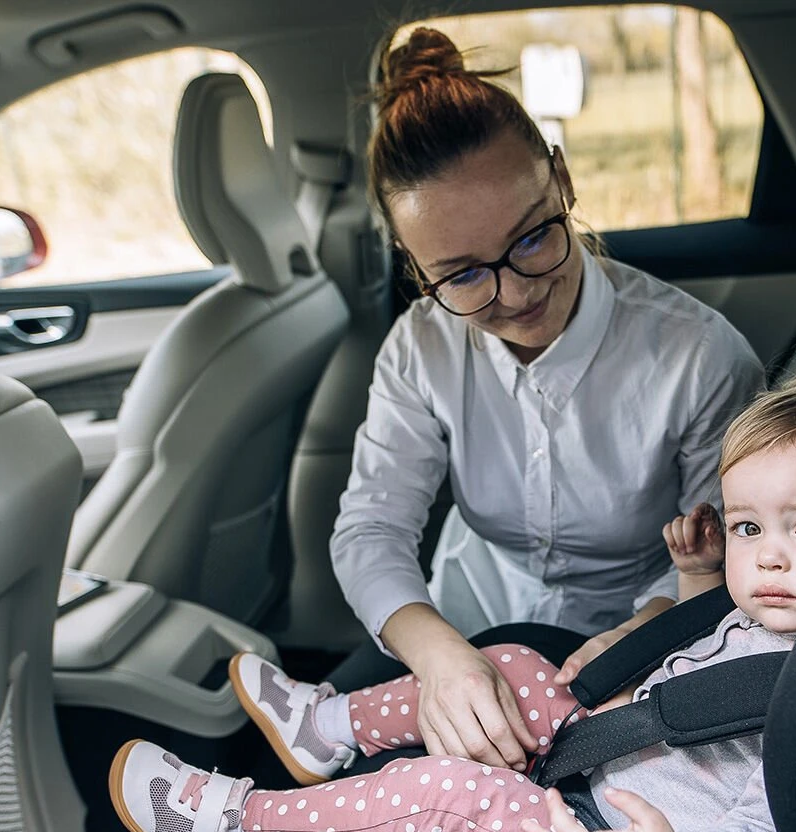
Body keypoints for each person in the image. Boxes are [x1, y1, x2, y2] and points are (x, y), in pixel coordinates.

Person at [109, 369, 796, 832]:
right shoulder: (775, 611)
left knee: (447, 793)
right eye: (750, 526)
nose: (767, 557)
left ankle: (239, 828)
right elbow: (702, 659)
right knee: (511, 669)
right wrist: (695, 582)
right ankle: (327, 728)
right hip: (606, 759)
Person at [327, 26, 764, 772]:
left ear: (561, 179)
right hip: (463, 621)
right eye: (463, 275)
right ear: (415, 265)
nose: (516, 292)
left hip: (637, 640)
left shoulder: (699, 357)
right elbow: (370, 528)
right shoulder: (420, 346)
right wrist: (438, 655)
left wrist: (653, 626)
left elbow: (732, 550)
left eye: (532, 238)